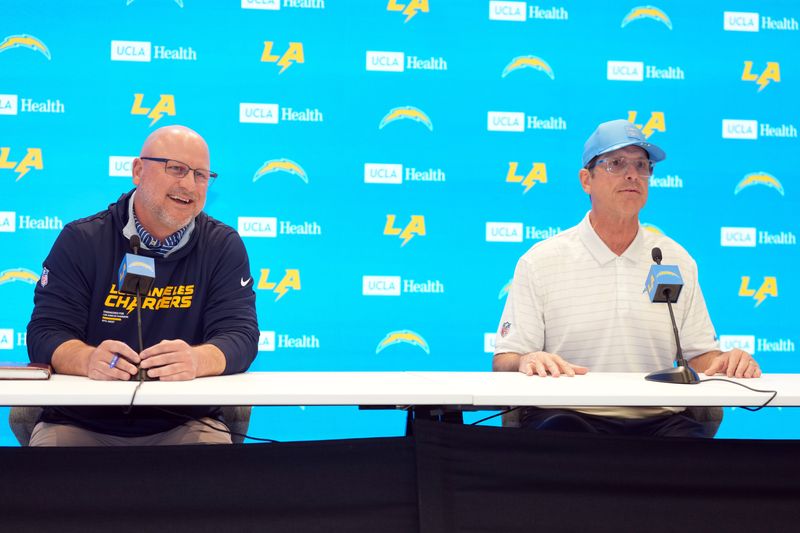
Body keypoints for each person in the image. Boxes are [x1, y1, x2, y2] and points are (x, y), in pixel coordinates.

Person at [493, 119, 761, 437]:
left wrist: (728, 361)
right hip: (570, 416)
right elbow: (505, 359)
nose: (632, 174)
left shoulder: (675, 258)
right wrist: (526, 359)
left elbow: (700, 355)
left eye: (641, 165)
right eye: (616, 163)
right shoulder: (541, 261)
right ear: (586, 180)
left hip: (661, 421)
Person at [26, 125, 258, 446]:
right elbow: (45, 333)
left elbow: (241, 335)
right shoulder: (82, 240)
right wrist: (87, 359)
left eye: (201, 175)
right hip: (81, 421)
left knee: (214, 479)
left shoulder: (223, 245)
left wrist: (196, 360)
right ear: (138, 170)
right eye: (175, 169)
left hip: (185, 421)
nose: (188, 185)